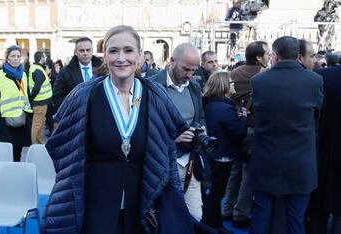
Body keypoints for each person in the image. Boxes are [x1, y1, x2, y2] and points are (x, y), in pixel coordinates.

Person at [41, 25, 194, 234]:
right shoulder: (84, 96)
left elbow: (165, 152)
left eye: (128, 50)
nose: (121, 58)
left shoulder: (155, 96)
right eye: (113, 51)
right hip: (97, 208)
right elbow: (62, 149)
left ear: (139, 55)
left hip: (142, 208)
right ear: (105, 56)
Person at [249, 36, 323, 234]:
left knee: (261, 215)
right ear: (299, 56)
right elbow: (318, 113)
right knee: (296, 220)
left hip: (265, 161)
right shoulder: (315, 81)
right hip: (301, 165)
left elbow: (256, 113)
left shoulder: (258, 81)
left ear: (275, 55)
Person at [149, 43, 205, 221]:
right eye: (186, 69)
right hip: (161, 163)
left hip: (190, 162)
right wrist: (173, 137)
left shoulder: (194, 86)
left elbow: (200, 117)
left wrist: (200, 129)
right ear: (171, 61)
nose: (189, 75)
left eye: (193, 70)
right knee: (164, 217)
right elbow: (143, 128)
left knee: (195, 215)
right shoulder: (150, 86)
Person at [221, 41, 269, 228]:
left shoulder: (234, 73)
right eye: (266, 53)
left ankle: (227, 208)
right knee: (248, 173)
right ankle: (240, 213)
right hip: (252, 127)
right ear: (259, 57)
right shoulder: (264, 75)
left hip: (236, 126)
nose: (269, 56)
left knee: (235, 170)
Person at [203, 71, 247, 234]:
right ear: (224, 86)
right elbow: (239, 133)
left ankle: (214, 224)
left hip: (214, 154)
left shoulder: (211, 105)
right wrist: (242, 117)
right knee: (216, 195)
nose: (233, 84)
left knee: (214, 194)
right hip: (223, 156)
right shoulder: (225, 109)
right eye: (231, 82)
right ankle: (212, 226)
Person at [307, 64, 341, 234]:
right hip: (325, 147)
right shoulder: (322, 76)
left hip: (319, 146)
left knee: (318, 203)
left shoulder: (322, 76)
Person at [0, 45, 33, 162]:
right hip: (6, 121)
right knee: (8, 152)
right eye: (13, 56)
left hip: (22, 118)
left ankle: (16, 172)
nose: (16, 59)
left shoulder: (23, 74)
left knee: (18, 151)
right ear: (7, 58)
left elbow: (27, 94)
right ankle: (9, 174)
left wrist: (30, 114)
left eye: (18, 56)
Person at [52, 37, 102, 113]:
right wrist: (73, 107)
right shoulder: (65, 72)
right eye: (82, 50)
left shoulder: (102, 69)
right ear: (75, 52)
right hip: (75, 117)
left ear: (92, 51)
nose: (85, 53)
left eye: (88, 50)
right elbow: (57, 97)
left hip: (98, 115)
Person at [28, 51, 52, 144]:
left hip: (41, 101)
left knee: (41, 123)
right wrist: (32, 98)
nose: (45, 58)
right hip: (40, 101)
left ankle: (39, 142)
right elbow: (37, 87)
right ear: (41, 58)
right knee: (37, 124)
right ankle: (34, 144)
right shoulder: (38, 70)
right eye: (44, 57)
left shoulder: (36, 68)